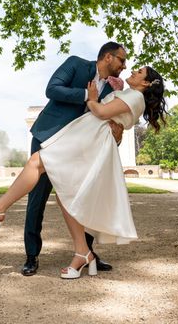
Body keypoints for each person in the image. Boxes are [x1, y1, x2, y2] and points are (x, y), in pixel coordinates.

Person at [0, 65, 167, 279]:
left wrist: (91, 98)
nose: (131, 69)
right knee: (65, 195)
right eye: (125, 62)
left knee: (36, 162)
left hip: (89, 137)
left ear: (145, 83)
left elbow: (100, 112)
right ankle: (82, 252)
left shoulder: (136, 96)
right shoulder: (126, 92)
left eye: (139, 72)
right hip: (87, 135)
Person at [23, 42, 127, 276]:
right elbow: (52, 89)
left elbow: (108, 124)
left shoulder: (112, 92)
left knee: (86, 200)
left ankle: (87, 252)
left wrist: (117, 135)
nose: (124, 65)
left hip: (79, 150)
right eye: (121, 60)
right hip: (48, 139)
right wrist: (85, 95)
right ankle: (31, 256)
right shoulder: (76, 64)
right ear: (108, 57)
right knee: (37, 199)